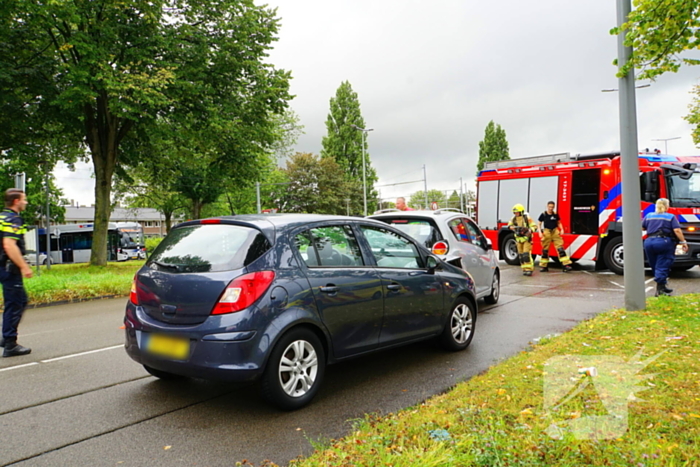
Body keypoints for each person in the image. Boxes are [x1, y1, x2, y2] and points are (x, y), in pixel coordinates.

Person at [0, 188, 33, 357]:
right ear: (16, 201)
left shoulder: (1, 217)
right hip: (9, 268)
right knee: (16, 303)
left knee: (16, 301)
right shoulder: (13, 219)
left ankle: (6, 337)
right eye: (24, 199)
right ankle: (10, 343)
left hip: (2, 267)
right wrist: (24, 266)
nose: (25, 202)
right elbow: (9, 245)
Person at [642, 198, 688, 297]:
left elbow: (642, 227)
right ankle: (660, 290)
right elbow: (677, 231)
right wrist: (683, 242)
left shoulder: (649, 216)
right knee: (663, 265)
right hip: (664, 242)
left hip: (649, 242)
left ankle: (662, 285)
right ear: (667, 206)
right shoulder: (670, 217)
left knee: (655, 265)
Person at [537, 201, 572, 273]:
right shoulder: (543, 214)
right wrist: (540, 232)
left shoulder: (555, 214)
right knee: (545, 250)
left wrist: (561, 229)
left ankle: (565, 265)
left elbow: (558, 222)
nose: (550, 208)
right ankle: (543, 266)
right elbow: (539, 224)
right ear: (547, 206)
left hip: (555, 231)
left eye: (552, 207)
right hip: (547, 231)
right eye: (549, 207)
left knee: (560, 248)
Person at [508, 203, 538, 276]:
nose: (516, 213)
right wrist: (512, 227)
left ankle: (529, 269)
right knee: (521, 255)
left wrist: (530, 230)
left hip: (527, 239)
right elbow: (509, 225)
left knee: (526, 254)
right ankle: (524, 269)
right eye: (515, 212)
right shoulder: (514, 218)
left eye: (517, 212)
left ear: (521, 211)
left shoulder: (527, 218)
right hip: (518, 239)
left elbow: (534, 226)